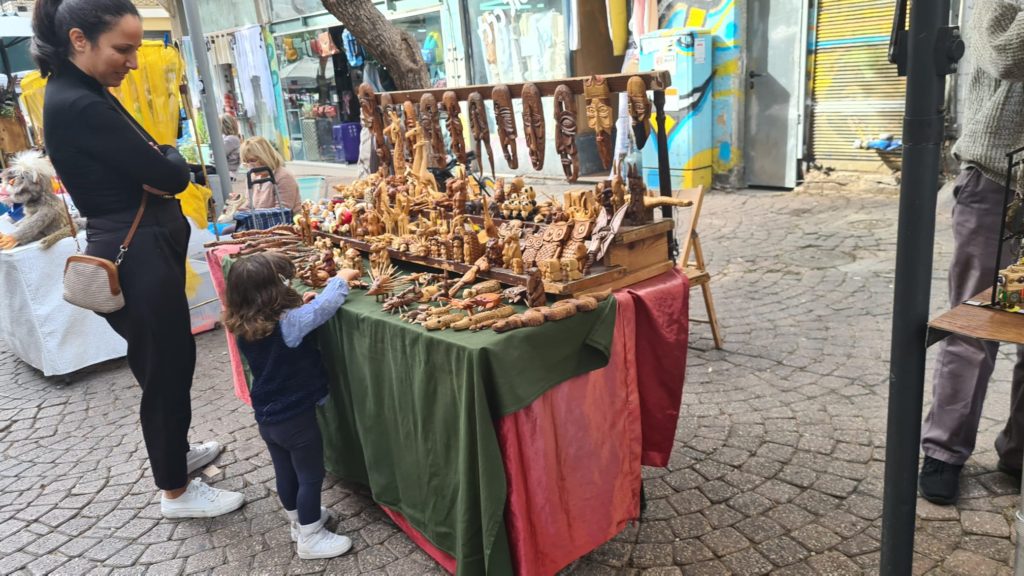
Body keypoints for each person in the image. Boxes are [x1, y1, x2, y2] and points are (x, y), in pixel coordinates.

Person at [33, 0, 244, 517]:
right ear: (80, 39)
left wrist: (162, 160)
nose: (132, 61)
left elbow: (158, 160)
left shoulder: (82, 91)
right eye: (122, 48)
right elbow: (169, 172)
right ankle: (175, 489)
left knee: (163, 364)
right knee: (166, 367)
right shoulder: (78, 102)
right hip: (136, 250)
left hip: (140, 244)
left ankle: (176, 453)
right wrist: (167, 161)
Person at [919, 0, 1024, 505]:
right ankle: (943, 452)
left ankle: (1019, 452)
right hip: (997, 179)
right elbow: (1007, 53)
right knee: (975, 323)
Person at [222, 252, 360, 559]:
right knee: (310, 476)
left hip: (268, 418)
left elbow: (296, 319)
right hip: (297, 419)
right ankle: (311, 536)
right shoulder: (290, 324)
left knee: (285, 471)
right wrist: (341, 279)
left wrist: (301, 304)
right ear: (273, 291)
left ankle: (298, 521)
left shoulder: (243, 323)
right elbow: (324, 308)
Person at [239, 136, 301, 213]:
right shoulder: (252, 177)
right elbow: (249, 205)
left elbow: (282, 212)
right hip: (259, 223)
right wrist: (236, 207)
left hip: (283, 223)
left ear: (265, 157)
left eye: (252, 160)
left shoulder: (283, 177)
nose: (249, 165)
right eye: (246, 162)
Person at [221, 114, 241, 181]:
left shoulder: (231, 139)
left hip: (227, 172)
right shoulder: (227, 138)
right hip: (224, 170)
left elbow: (218, 155)